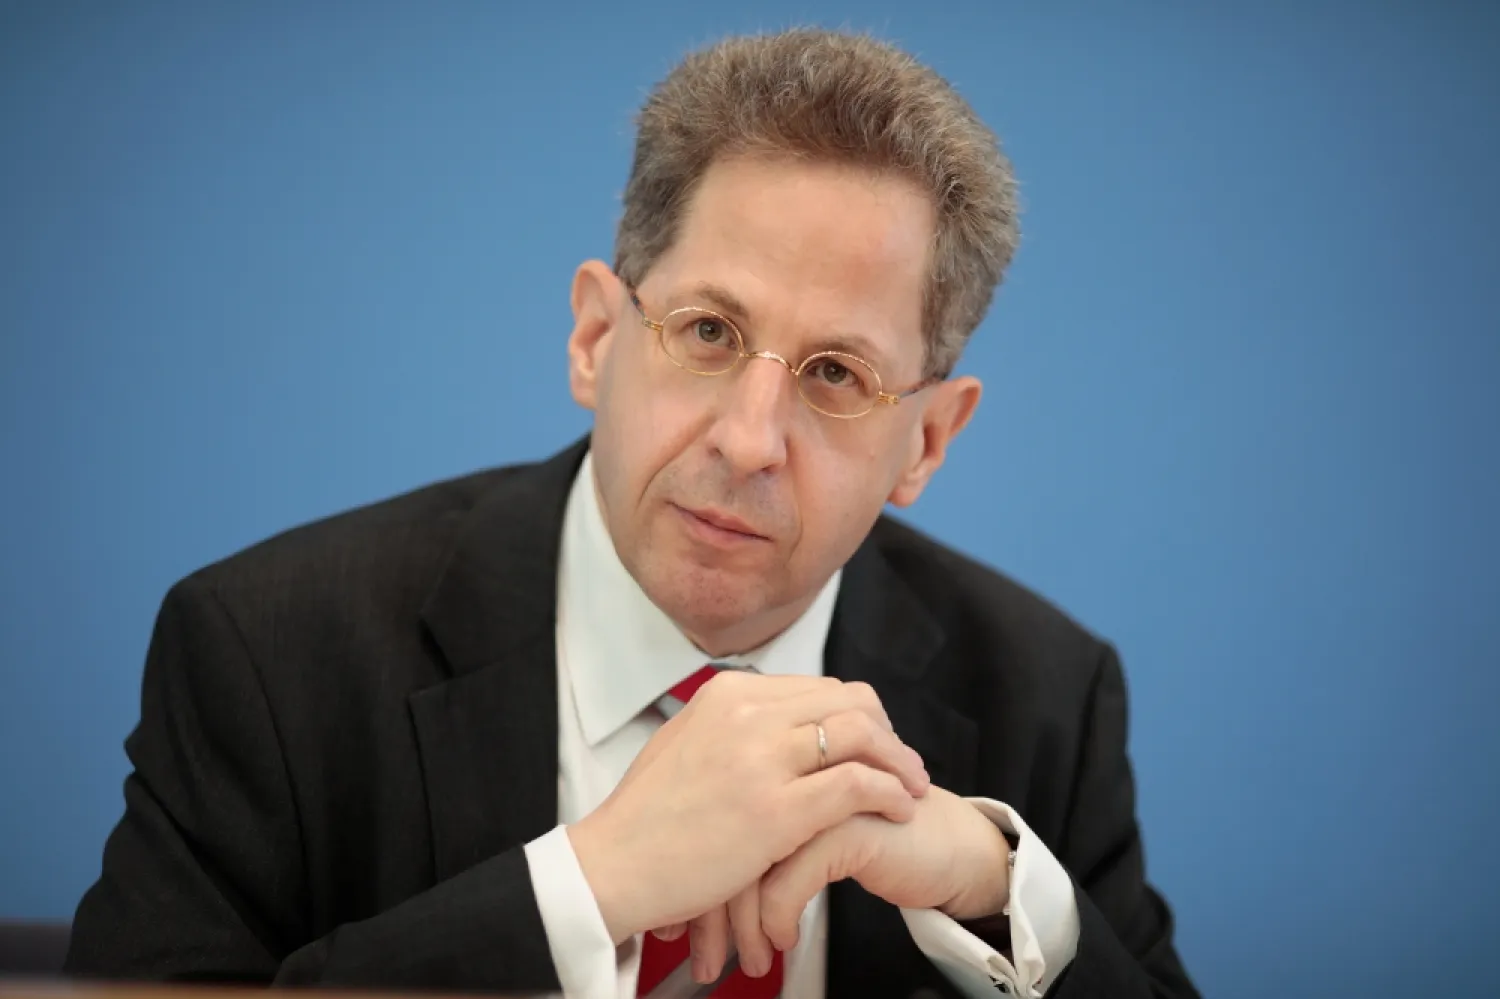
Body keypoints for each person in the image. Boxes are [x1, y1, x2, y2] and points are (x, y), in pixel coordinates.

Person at [65, 28, 1198, 999]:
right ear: (596, 339)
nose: (749, 441)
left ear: (928, 441)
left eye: (835, 374)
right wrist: (583, 888)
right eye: (708, 332)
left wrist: (995, 891)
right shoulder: (272, 655)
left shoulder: (1041, 698)